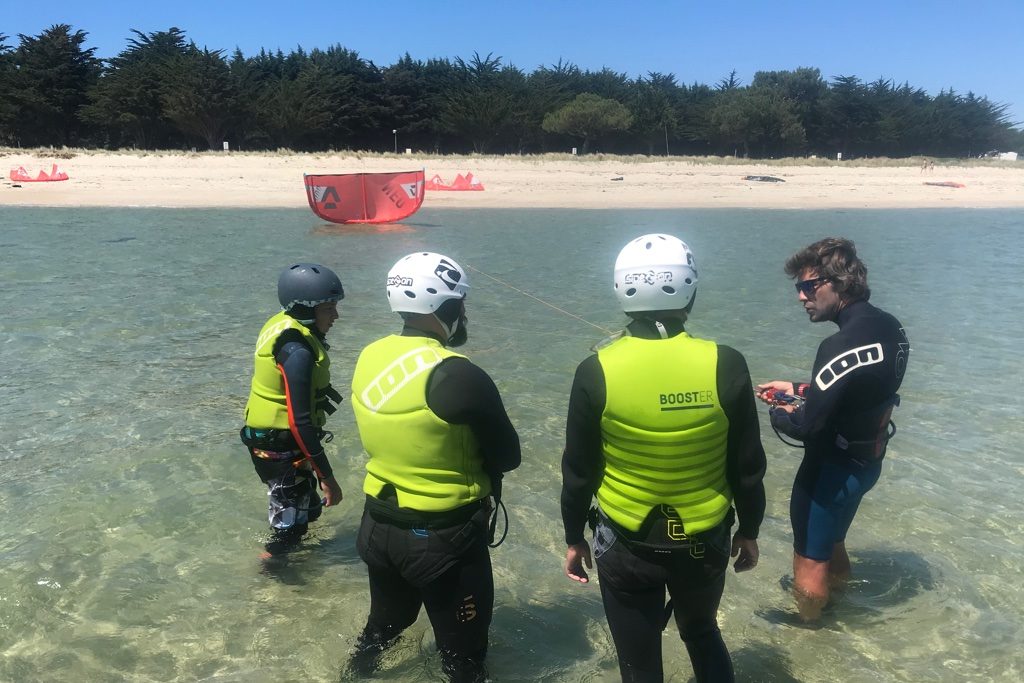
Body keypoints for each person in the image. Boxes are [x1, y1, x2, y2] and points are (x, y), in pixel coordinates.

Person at [561, 234, 767, 683]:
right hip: (704, 541)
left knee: (638, 666)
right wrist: (749, 531)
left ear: (621, 290)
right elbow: (748, 467)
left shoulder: (594, 369)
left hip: (625, 545)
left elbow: (578, 472)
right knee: (701, 632)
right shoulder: (726, 363)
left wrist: (573, 537)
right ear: (690, 288)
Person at [347, 251, 521, 682]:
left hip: (379, 526)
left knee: (382, 629)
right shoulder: (458, 374)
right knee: (463, 658)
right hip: (445, 540)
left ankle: (353, 675)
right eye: (461, 304)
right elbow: (508, 456)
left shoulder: (369, 355)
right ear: (448, 308)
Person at [755, 237, 909, 621]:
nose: (801, 298)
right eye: (798, 288)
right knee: (833, 544)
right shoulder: (891, 327)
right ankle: (838, 610)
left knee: (809, 560)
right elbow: (862, 388)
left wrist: (779, 412)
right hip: (865, 465)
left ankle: (809, 631)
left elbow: (808, 428)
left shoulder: (836, 346)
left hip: (828, 474)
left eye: (809, 287)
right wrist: (799, 389)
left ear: (839, 282)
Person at [240, 263, 345, 557]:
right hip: (280, 444)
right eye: (329, 309)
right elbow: (299, 421)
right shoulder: (295, 350)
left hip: (277, 441)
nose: (335, 316)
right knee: (287, 534)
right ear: (307, 309)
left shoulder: (284, 323)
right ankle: (268, 584)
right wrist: (328, 477)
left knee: (308, 510)